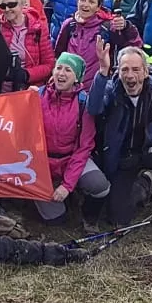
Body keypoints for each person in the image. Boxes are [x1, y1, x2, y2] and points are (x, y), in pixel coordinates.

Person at [84, 43, 152, 242]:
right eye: (124, 69)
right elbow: (93, 108)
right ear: (118, 71)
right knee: (117, 216)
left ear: (146, 71)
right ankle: (145, 184)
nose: (130, 76)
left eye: (135, 69)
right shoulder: (111, 88)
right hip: (124, 157)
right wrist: (102, 71)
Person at [29, 52, 108, 225]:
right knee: (56, 220)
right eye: (58, 68)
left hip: (71, 159)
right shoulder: (37, 96)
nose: (61, 74)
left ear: (77, 78)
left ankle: (85, 210)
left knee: (100, 187)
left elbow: (84, 148)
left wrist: (67, 185)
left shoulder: (83, 103)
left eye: (68, 70)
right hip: (42, 163)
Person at [55, 0, 139, 70]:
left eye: (91, 2)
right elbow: (58, 55)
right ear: (77, 1)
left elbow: (135, 46)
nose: (85, 5)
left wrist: (126, 26)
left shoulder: (108, 27)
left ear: (98, 7)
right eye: (83, 0)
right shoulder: (69, 25)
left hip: (98, 82)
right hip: (71, 82)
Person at [0, 0, 53, 91]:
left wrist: (26, 74)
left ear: (22, 4)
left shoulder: (39, 28)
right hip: (2, 91)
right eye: (3, 6)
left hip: (29, 89)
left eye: (11, 5)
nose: (7, 9)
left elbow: (49, 65)